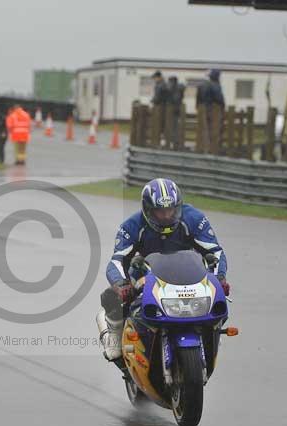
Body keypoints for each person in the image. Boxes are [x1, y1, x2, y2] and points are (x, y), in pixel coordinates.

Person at [97, 177, 230, 365]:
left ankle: (211, 334)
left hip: (189, 274)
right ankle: (116, 339)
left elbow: (215, 252)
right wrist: (121, 285)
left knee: (219, 301)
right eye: (161, 211)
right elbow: (116, 261)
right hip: (146, 275)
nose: (167, 216)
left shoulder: (194, 219)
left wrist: (220, 278)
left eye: (171, 210)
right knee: (110, 298)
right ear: (148, 210)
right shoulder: (131, 226)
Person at [196, 69, 225, 151]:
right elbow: (219, 98)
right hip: (214, 110)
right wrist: (223, 106)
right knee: (214, 130)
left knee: (205, 129)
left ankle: (204, 147)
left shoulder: (203, 85)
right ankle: (213, 149)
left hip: (204, 109)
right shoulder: (216, 85)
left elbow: (198, 99)